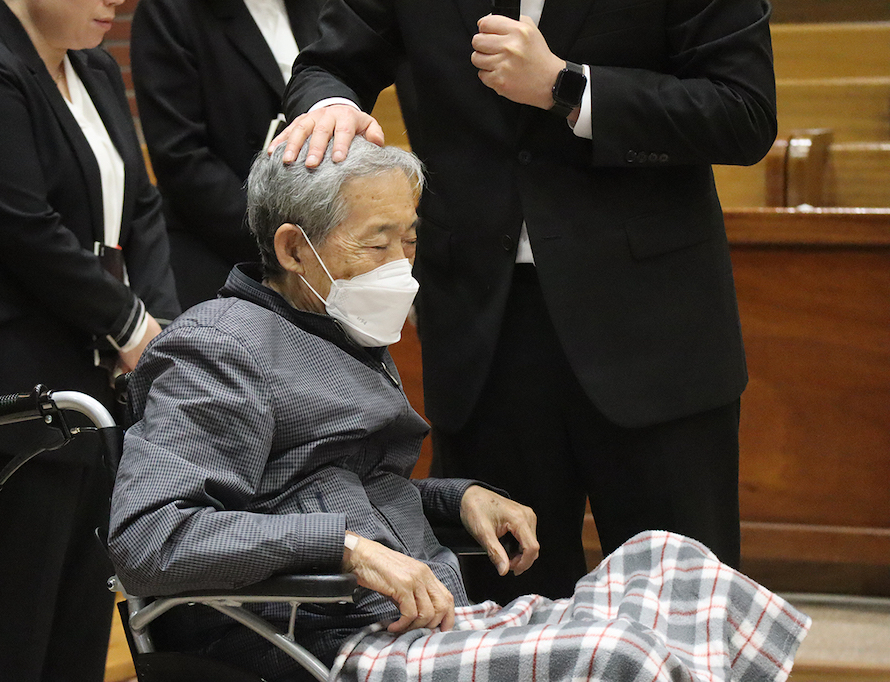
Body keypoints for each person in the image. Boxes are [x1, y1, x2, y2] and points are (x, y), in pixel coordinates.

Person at [108, 137, 808, 682]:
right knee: (617, 653)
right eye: (377, 242)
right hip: (317, 643)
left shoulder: (331, 329)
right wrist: (347, 550)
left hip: (419, 619)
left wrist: (456, 496)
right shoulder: (219, 349)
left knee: (677, 564)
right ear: (294, 248)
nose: (400, 265)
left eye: (409, 240)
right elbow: (147, 539)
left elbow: (322, 491)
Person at [273, 0, 779, 603]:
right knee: (502, 601)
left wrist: (568, 87)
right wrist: (331, 106)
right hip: (481, 327)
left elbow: (743, 111)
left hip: (653, 329)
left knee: (682, 608)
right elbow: (328, 65)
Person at [0, 0, 180, 678]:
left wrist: (163, 326)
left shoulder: (94, 68)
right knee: (9, 627)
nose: (115, 1)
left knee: (80, 621)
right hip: (10, 389)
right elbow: (25, 229)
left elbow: (141, 207)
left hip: (95, 383)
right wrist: (132, 326)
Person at [130, 0, 324, 310]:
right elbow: (181, 158)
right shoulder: (169, 10)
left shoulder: (315, 6)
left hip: (315, 246)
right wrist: (283, 243)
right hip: (224, 253)